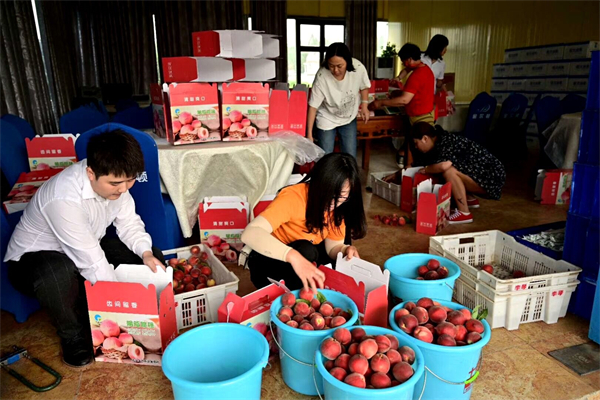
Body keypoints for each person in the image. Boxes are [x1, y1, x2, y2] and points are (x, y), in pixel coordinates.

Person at [5, 129, 165, 368]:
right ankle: (73, 335)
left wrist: (146, 253)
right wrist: (125, 313)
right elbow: (91, 261)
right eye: (115, 183)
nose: (123, 189)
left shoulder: (118, 181)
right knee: (58, 272)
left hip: (84, 246)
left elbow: (129, 224)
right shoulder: (63, 198)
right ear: (91, 173)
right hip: (33, 262)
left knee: (148, 256)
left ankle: (89, 304)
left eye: (130, 180)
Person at [241, 153, 367, 293]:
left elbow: (332, 247)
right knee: (306, 250)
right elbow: (250, 233)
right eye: (329, 194)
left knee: (340, 249)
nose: (334, 203)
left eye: (342, 197)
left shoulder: (339, 208)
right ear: (318, 184)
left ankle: (309, 292)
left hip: (304, 254)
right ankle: (295, 293)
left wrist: (344, 250)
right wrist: (294, 257)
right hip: (269, 262)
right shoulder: (293, 197)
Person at [386, 123, 506, 224]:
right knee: (451, 167)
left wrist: (427, 169)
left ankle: (464, 212)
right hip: (481, 175)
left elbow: (443, 166)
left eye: (416, 143)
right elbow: (416, 165)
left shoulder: (447, 142)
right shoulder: (435, 146)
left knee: (448, 171)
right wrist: (397, 175)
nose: (416, 147)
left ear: (425, 138)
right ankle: (469, 199)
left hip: (492, 178)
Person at [369, 43, 435, 168]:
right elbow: (407, 70)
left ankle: (419, 170)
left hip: (420, 116)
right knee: (412, 143)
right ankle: (408, 167)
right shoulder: (423, 68)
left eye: (403, 61)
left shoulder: (416, 76)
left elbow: (404, 100)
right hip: (425, 113)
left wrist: (381, 102)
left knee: (420, 145)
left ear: (409, 59)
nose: (403, 64)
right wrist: (399, 78)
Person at [307, 42, 371, 159]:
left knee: (350, 155)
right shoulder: (322, 76)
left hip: (348, 117)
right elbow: (313, 107)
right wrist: (309, 134)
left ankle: (349, 177)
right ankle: (328, 177)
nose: (335, 70)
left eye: (339, 66)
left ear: (348, 61)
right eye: (331, 66)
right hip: (327, 117)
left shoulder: (358, 68)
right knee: (326, 157)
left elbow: (364, 86)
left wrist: (365, 106)